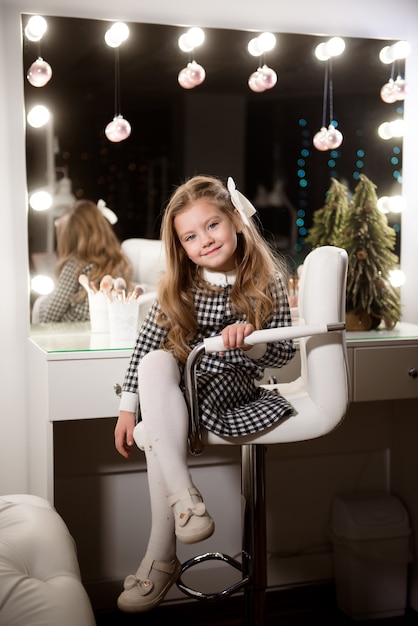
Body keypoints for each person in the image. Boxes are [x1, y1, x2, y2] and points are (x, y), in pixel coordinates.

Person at [114, 175, 296, 613]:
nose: (204, 241)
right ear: (181, 246)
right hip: (181, 389)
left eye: (211, 226)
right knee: (157, 360)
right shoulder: (182, 285)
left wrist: (251, 339)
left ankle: (160, 558)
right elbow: (145, 347)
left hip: (229, 386)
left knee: (154, 430)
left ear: (235, 219)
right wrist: (126, 408)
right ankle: (187, 502)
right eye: (190, 236)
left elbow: (285, 353)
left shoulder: (264, 280)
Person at [37, 199, 132, 323]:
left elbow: (49, 316)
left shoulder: (75, 265)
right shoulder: (120, 263)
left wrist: (41, 305)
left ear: (68, 239)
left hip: (70, 333)